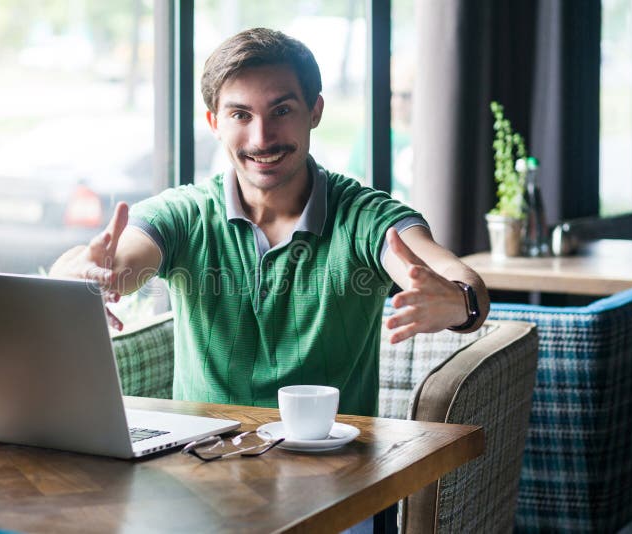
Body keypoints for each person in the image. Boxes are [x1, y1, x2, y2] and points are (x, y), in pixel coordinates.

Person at [50, 27, 489, 417]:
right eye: (241, 115)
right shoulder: (184, 213)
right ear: (215, 123)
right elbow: (122, 263)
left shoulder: (364, 214)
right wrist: (82, 275)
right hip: (204, 471)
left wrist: (458, 302)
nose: (262, 138)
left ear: (314, 111)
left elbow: (456, 277)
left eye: (281, 111)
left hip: (336, 482)